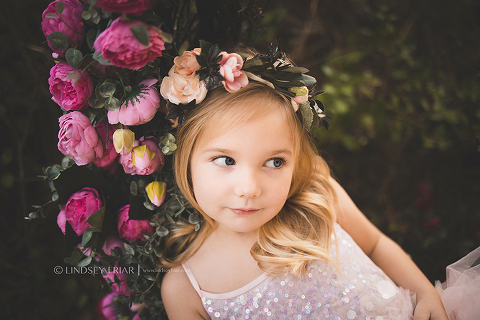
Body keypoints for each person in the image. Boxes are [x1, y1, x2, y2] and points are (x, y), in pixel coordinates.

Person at [157, 49, 478, 319]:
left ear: (295, 157)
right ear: (186, 157)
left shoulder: (318, 197)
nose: (249, 188)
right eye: (226, 161)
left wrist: (425, 294)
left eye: (275, 162)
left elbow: (376, 246)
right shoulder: (186, 288)